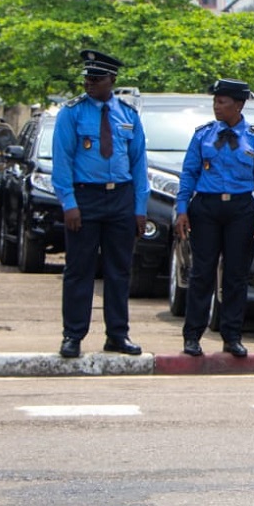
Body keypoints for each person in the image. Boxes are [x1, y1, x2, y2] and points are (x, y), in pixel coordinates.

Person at [52, 50, 148, 358]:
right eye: (87, 78)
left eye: (97, 79)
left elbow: (138, 164)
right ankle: (73, 335)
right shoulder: (73, 112)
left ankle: (118, 334)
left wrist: (139, 208)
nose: (90, 84)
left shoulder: (128, 115)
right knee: (79, 269)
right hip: (85, 196)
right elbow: (62, 160)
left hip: (120, 196)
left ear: (112, 80)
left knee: (119, 270)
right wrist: (68, 202)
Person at [173, 79, 254, 358]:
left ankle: (232, 336)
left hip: (241, 209)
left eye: (222, 102)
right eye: (215, 102)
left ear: (238, 105)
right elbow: (189, 173)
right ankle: (192, 336)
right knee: (201, 273)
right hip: (206, 207)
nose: (216, 106)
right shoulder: (202, 135)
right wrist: (182, 208)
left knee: (235, 277)